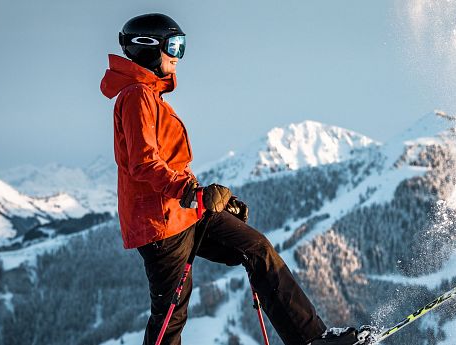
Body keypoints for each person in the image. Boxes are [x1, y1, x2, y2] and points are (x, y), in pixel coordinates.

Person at [99, 13, 368, 345]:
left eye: (182, 46)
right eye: (174, 46)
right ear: (148, 48)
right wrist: (189, 191)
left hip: (185, 213)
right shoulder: (137, 97)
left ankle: (311, 338)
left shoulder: (150, 97)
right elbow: (143, 163)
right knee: (171, 313)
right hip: (161, 223)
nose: (178, 56)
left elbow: (171, 163)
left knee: (256, 249)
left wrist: (212, 199)